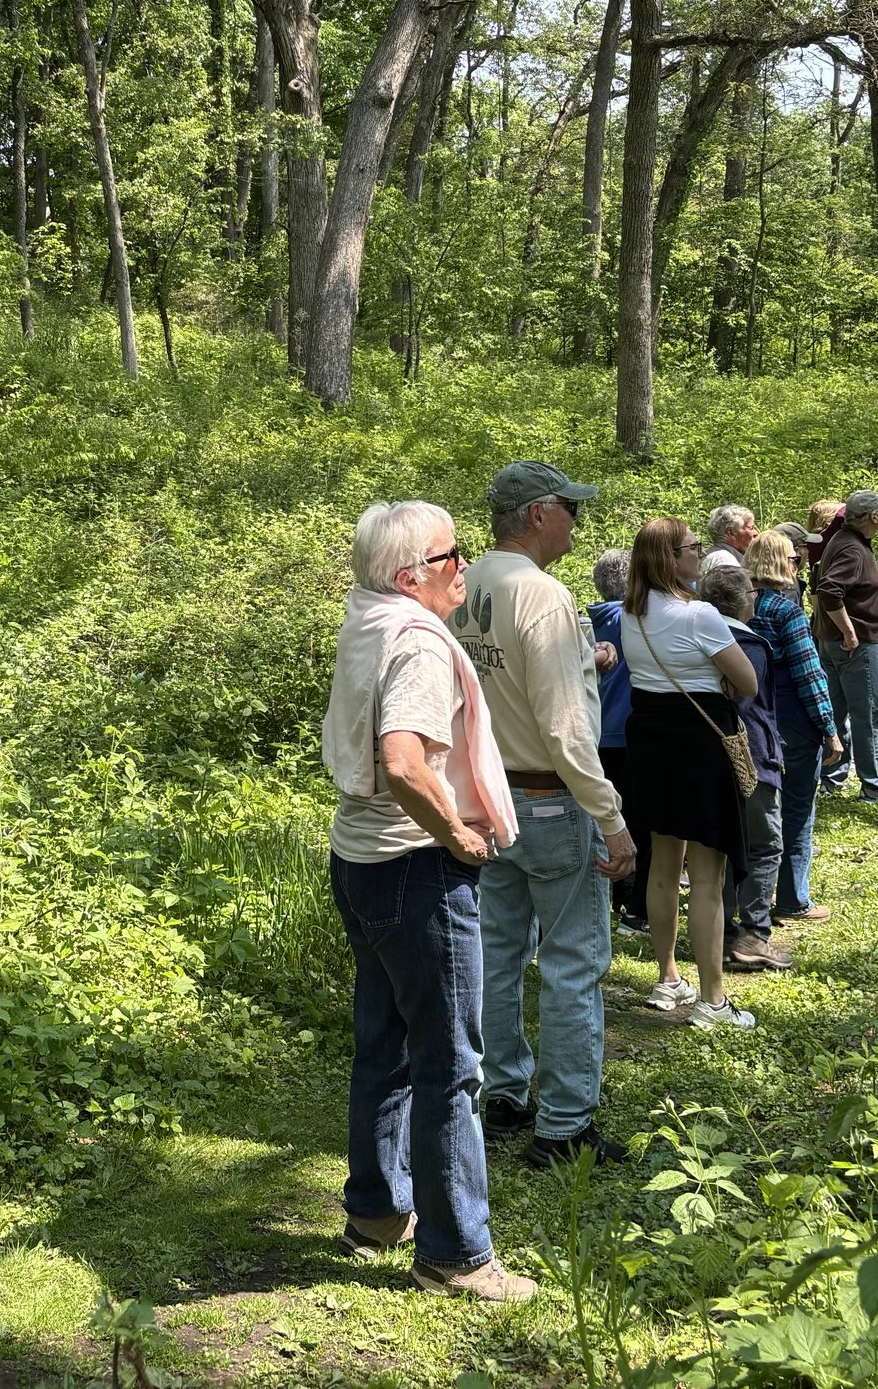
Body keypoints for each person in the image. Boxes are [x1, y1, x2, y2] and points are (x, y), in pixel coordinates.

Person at [322, 501, 538, 1303]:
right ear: (411, 575)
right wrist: (456, 834)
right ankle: (455, 1253)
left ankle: (378, 1212)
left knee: (386, 1041)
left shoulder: (368, 619)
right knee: (452, 1061)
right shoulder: (416, 642)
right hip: (414, 867)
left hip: (361, 859)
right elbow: (405, 761)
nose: (464, 568)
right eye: (454, 556)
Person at [454, 462, 640, 1170]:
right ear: (536, 515)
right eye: (568, 507)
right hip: (550, 800)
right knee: (571, 961)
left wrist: (580, 660)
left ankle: (503, 1094)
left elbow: (490, 684)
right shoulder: (543, 594)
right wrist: (611, 816)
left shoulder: (462, 586)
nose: (575, 521)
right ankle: (563, 1125)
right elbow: (565, 729)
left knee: (497, 953)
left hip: (485, 798)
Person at [616, 517, 763, 1029]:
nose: (699, 553)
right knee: (707, 876)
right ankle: (713, 1000)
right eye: (691, 548)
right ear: (668, 558)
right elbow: (746, 682)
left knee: (661, 863)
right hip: (701, 746)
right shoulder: (700, 614)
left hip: (651, 742)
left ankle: (667, 977)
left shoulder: (630, 614)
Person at [746, 530, 843, 921]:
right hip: (794, 723)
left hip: (749, 722)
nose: (797, 565)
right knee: (799, 808)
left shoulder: (734, 607)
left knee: (753, 808)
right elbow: (809, 674)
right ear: (779, 564)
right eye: (793, 559)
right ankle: (792, 898)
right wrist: (830, 729)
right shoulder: (785, 612)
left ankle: (745, 895)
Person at [697, 565, 789, 972]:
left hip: (707, 756)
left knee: (722, 847)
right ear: (741, 599)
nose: (756, 597)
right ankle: (753, 933)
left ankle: (724, 932)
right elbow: (749, 707)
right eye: (752, 592)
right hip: (748, 756)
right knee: (764, 844)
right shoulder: (747, 643)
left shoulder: (692, 636)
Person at [814, 489, 878, 801]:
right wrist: (849, 632)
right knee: (867, 714)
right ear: (872, 517)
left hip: (831, 643)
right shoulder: (853, 549)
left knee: (834, 712)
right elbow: (829, 591)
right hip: (854, 646)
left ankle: (831, 781)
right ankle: (873, 786)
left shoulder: (845, 541)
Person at [586, 549, 643, 931]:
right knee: (634, 819)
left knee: (602, 818)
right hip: (630, 732)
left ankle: (602, 899)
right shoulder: (638, 620)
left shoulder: (585, 623)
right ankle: (632, 904)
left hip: (594, 733)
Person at [805, 500, 850, 788]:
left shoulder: (815, 546)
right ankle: (834, 772)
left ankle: (831, 771)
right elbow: (825, 594)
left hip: (823, 628)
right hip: (834, 631)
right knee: (837, 703)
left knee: (832, 701)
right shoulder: (826, 546)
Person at [702, 504, 756, 578]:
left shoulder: (710, 555)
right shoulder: (725, 561)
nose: (755, 533)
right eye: (751, 528)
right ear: (731, 532)